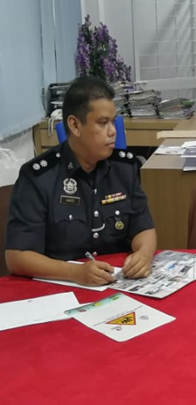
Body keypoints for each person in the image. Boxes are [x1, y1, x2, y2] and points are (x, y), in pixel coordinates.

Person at [5, 76, 157, 286]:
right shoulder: (39, 177)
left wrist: (144, 255)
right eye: (103, 123)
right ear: (75, 125)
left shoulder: (124, 168)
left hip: (117, 284)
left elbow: (144, 228)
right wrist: (75, 272)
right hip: (59, 287)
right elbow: (17, 257)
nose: (113, 131)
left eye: (113, 121)